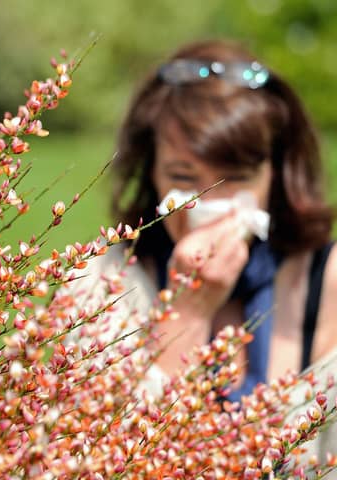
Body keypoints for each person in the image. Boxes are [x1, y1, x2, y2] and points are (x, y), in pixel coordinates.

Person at [61, 37, 337, 467]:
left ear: (276, 175)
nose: (208, 202)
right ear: (150, 172)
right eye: (183, 177)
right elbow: (96, 462)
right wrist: (187, 312)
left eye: (237, 178)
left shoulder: (329, 281)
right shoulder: (101, 282)